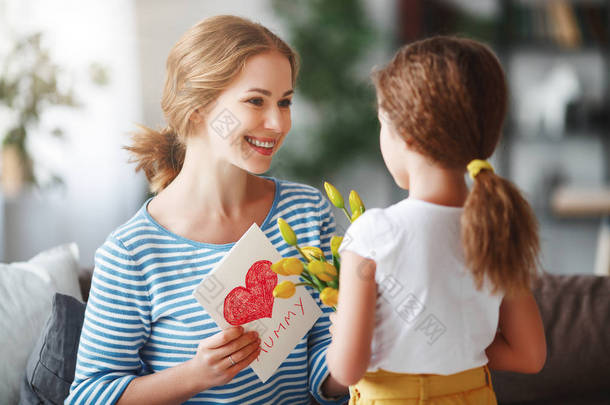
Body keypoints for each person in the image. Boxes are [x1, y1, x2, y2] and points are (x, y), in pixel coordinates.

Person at [66, 15, 349, 405]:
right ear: (197, 107)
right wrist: (194, 376)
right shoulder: (133, 252)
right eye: (256, 101)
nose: (277, 122)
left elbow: (323, 370)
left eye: (284, 102)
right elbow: (87, 397)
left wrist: (359, 344)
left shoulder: (306, 211)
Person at [326, 36, 547, 404]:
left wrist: (338, 341)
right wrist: (456, 347)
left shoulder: (373, 233)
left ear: (408, 136)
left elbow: (347, 369)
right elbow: (530, 356)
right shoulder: (498, 227)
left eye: (383, 123)